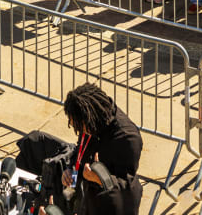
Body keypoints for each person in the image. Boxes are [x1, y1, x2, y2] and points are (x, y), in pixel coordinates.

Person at [61, 83, 142, 215]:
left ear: (91, 118)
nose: (79, 130)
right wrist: (70, 169)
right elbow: (81, 148)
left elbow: (128, 186)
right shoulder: (91, 121)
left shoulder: (128, 138)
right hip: (90, 199)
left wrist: (101, 178)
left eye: (78, 126)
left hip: (113, 206)